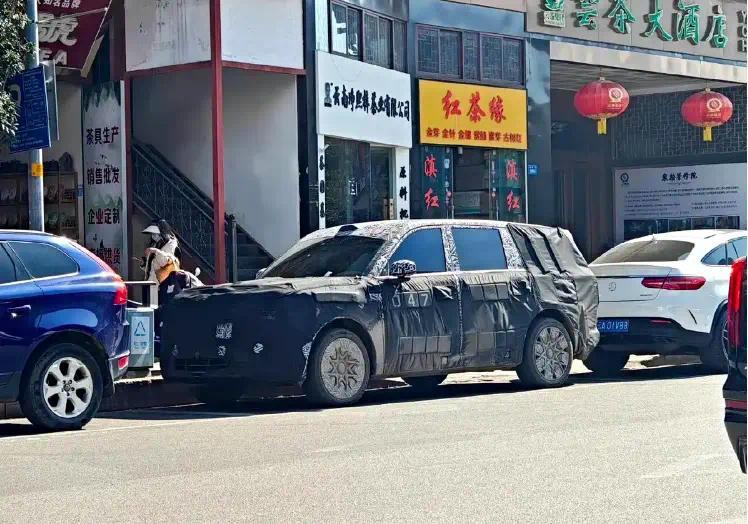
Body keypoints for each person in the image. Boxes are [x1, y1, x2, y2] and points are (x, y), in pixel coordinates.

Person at [141, 219, 182, 284]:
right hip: (152, 281)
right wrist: (145, 263)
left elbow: (165, 262)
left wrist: (156, 251)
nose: (153, 237)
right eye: (152, 234)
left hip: (165, 282)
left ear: (162, 233)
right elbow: (153, 267)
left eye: (155, 234)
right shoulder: (156, 244)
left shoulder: (171, 244)